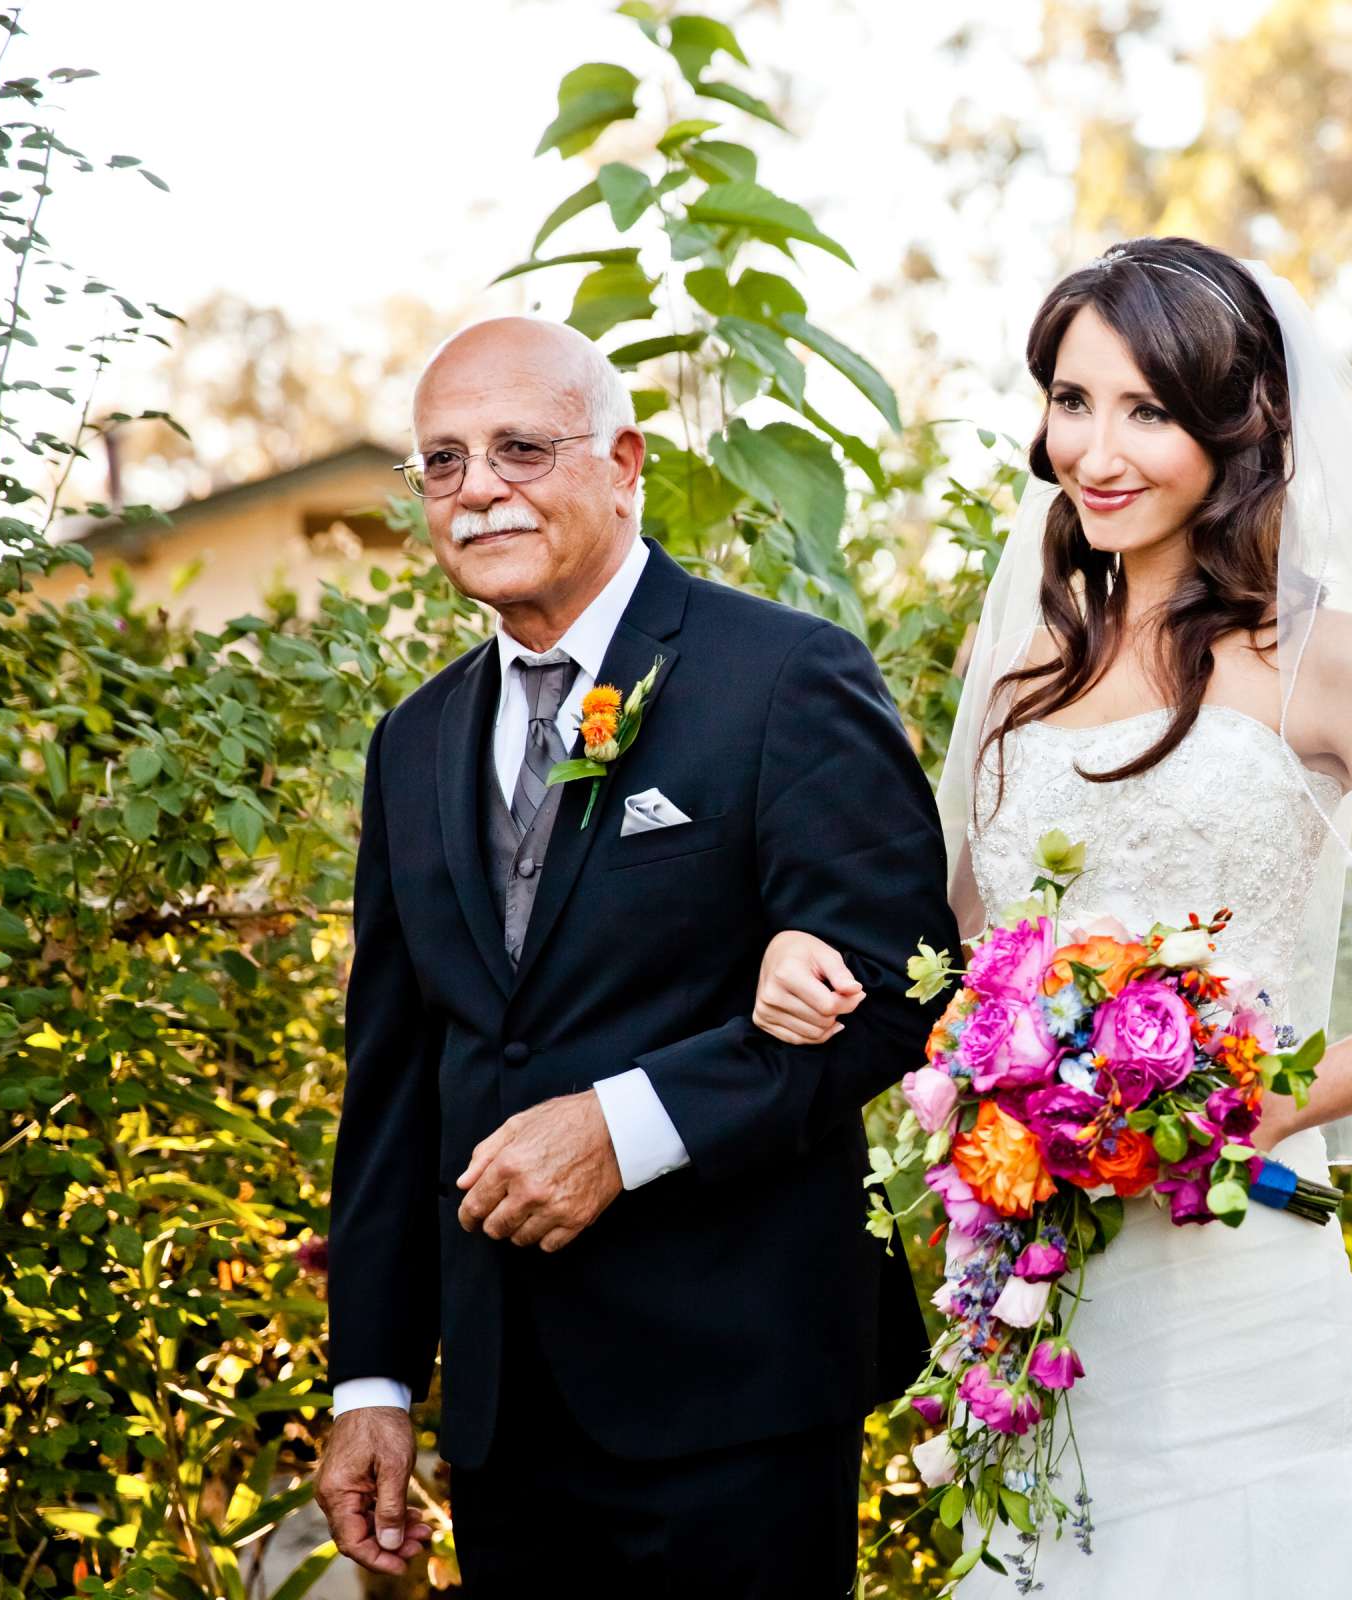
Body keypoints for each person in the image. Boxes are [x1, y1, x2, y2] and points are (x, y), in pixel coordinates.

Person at [750, 237, 1352, 1594]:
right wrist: (809, 961)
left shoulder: (1331, 663)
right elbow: (949, 968)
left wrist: (1259, 1105)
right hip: (1038, 1277)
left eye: (1146, 409)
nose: (1096, 448)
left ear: (1237, 426)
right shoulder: (1024, 674)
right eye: (1073, 401)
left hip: (1236, 1266)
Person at [314, 317, 953, 1594]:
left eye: (518, 447)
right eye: (442, 460)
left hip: (739, 1390)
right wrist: (373, 1377)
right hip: (506, 1415)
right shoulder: (415, 741)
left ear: (623, 461)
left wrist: (625, 1126)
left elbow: (901, 982)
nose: (477, 486)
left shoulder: (784, 676)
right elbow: (393, 1078)